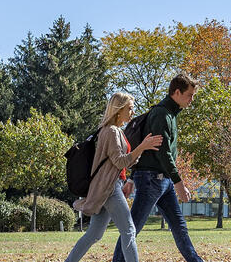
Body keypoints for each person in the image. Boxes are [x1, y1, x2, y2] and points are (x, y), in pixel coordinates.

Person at [63, 92, 165, 262]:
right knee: (129, 230)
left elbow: (126, 162)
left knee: (94, 234)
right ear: (119, 110)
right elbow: (120, 162)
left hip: (106, 187)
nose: (132, 112)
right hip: (110, 187)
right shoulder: (110, 131)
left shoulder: (115, 130)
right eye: (130, 109)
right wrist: (142, 147)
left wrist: (142, 149)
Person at [114, 74, 205, 262]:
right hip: (151, 180)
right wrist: (179, 182)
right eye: (189, 95)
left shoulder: (171, 113)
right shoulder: (162, 114)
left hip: (162, 180)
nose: (191, 100)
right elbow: (163, 153)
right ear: (177, 92)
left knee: (179, 226)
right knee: (133, 227)